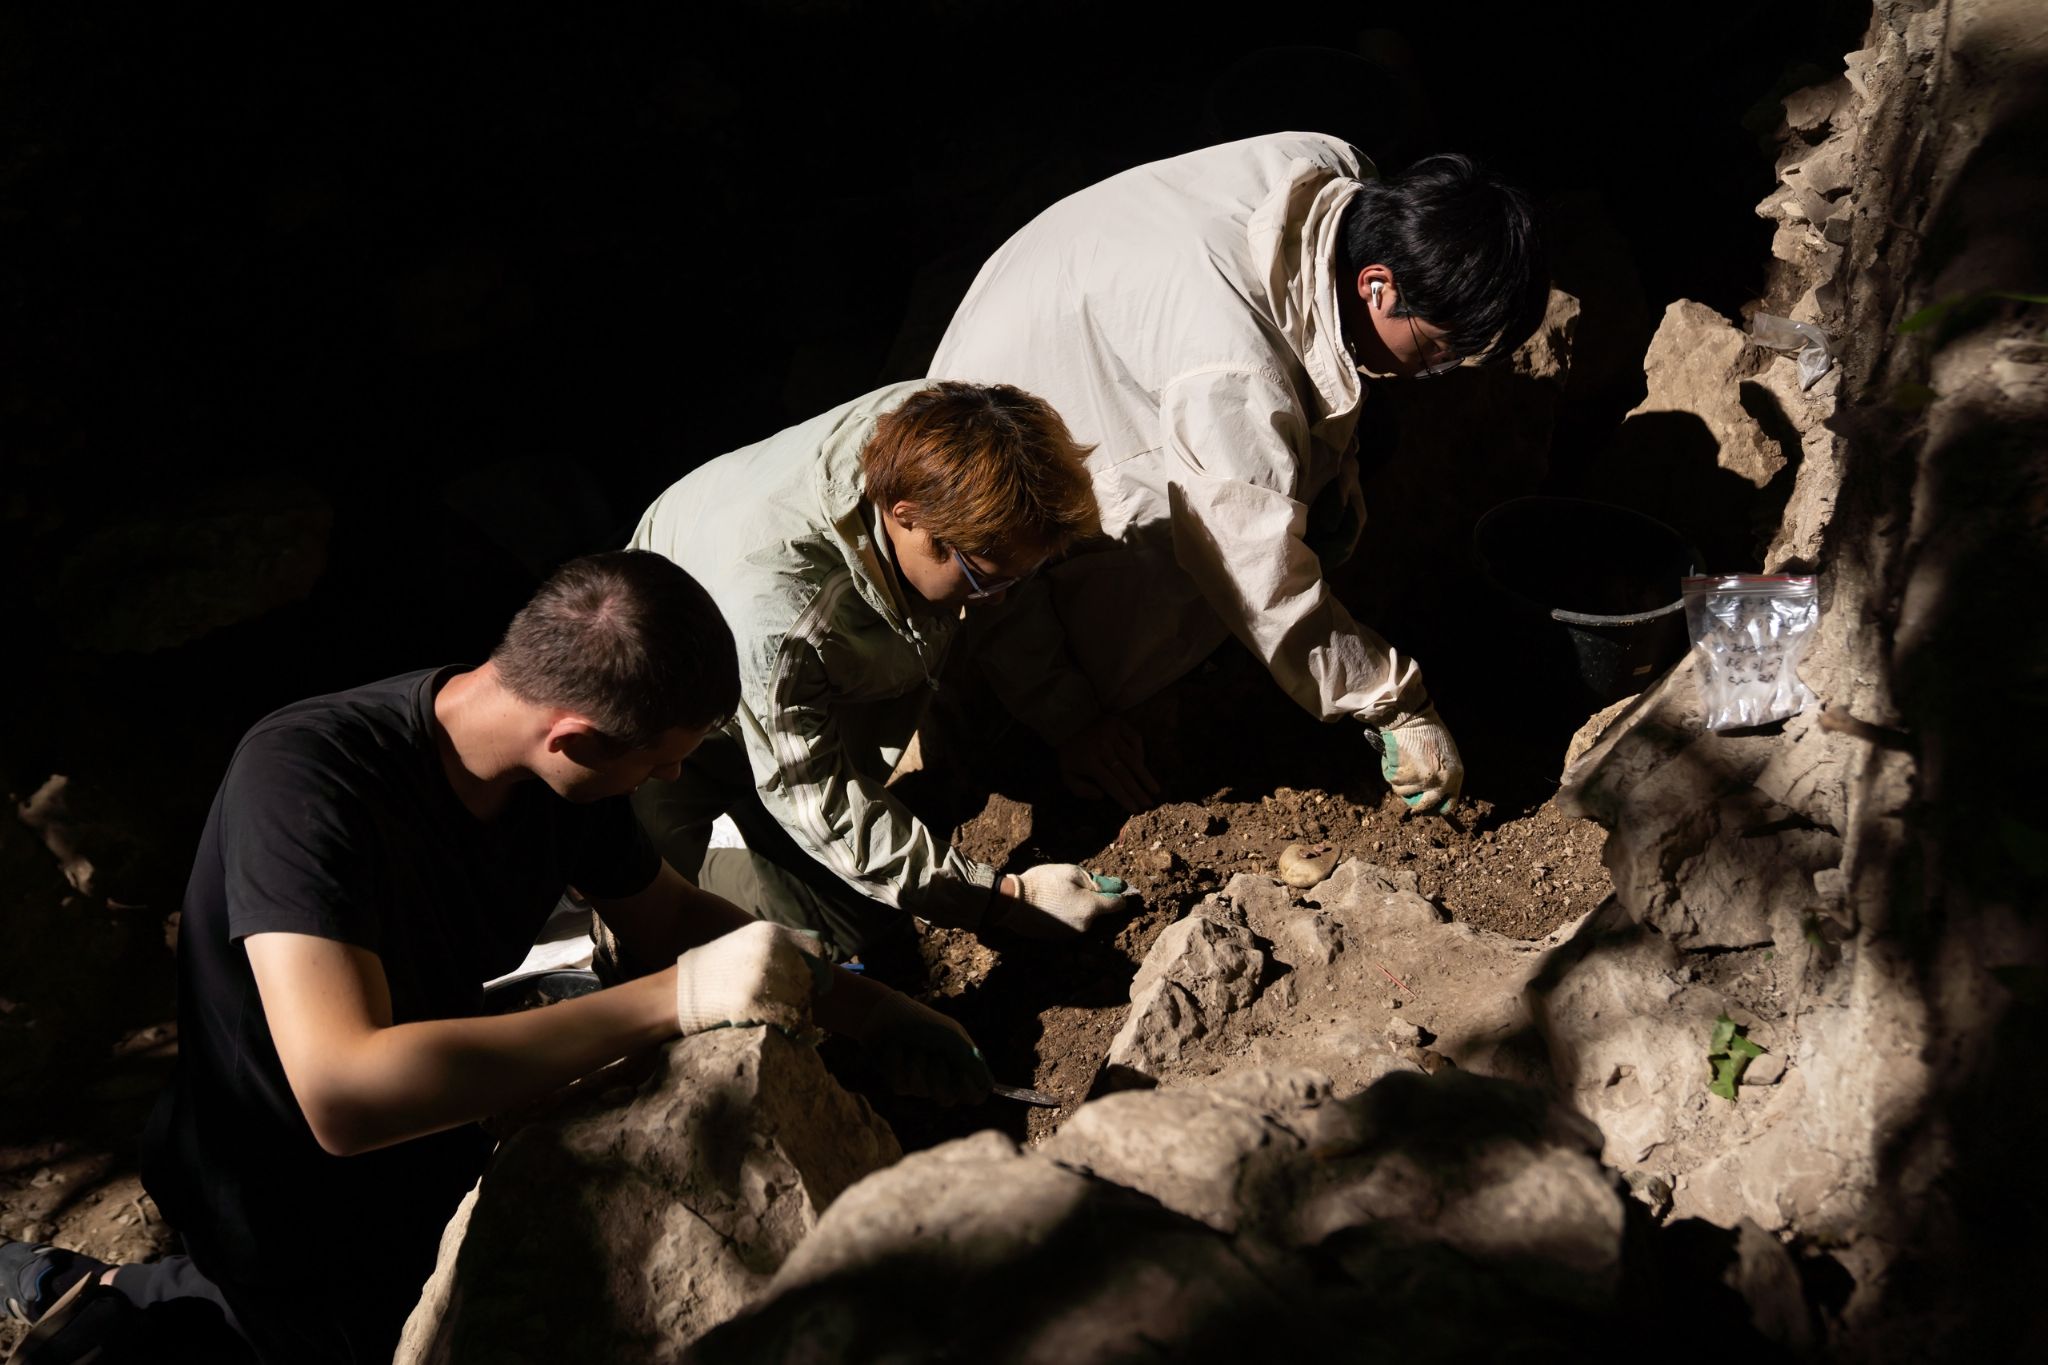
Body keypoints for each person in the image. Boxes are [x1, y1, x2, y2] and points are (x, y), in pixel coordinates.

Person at [0, 551, 988, 1365]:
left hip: (433, 1134)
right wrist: (674, 1000)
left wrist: (868, 1006)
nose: (674, 777)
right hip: (276, 1190)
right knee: (264, 1336)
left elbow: (664, 914)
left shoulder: (554, 779)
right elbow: (343, 1091)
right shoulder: (305, 785)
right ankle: (76, 1297)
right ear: (576, 739)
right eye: (660, 762)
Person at [931, 133, 1549, 814]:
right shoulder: (1232, 370)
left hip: (1064, 302)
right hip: (983, 453)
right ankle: (1035, 718)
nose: (1432, 374)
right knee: (1186, 560)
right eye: (1436, 353)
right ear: (1377, 285)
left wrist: (1334, 467)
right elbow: (1256, 573)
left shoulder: (1337, 177)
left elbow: (1308, 338)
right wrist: (1392, 702)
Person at [624, 380, 1131, 969]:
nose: (997, 599)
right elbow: (820, 799)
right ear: (905, 517)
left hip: (785, 648)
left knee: (863, 931)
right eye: (983, 580)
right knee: (669, 907)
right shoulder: (781, 618)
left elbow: (1007, 582)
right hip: (671, 691)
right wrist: (1005, 899)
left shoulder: (954, 435)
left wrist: (1070, 718)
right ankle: (691, 893)